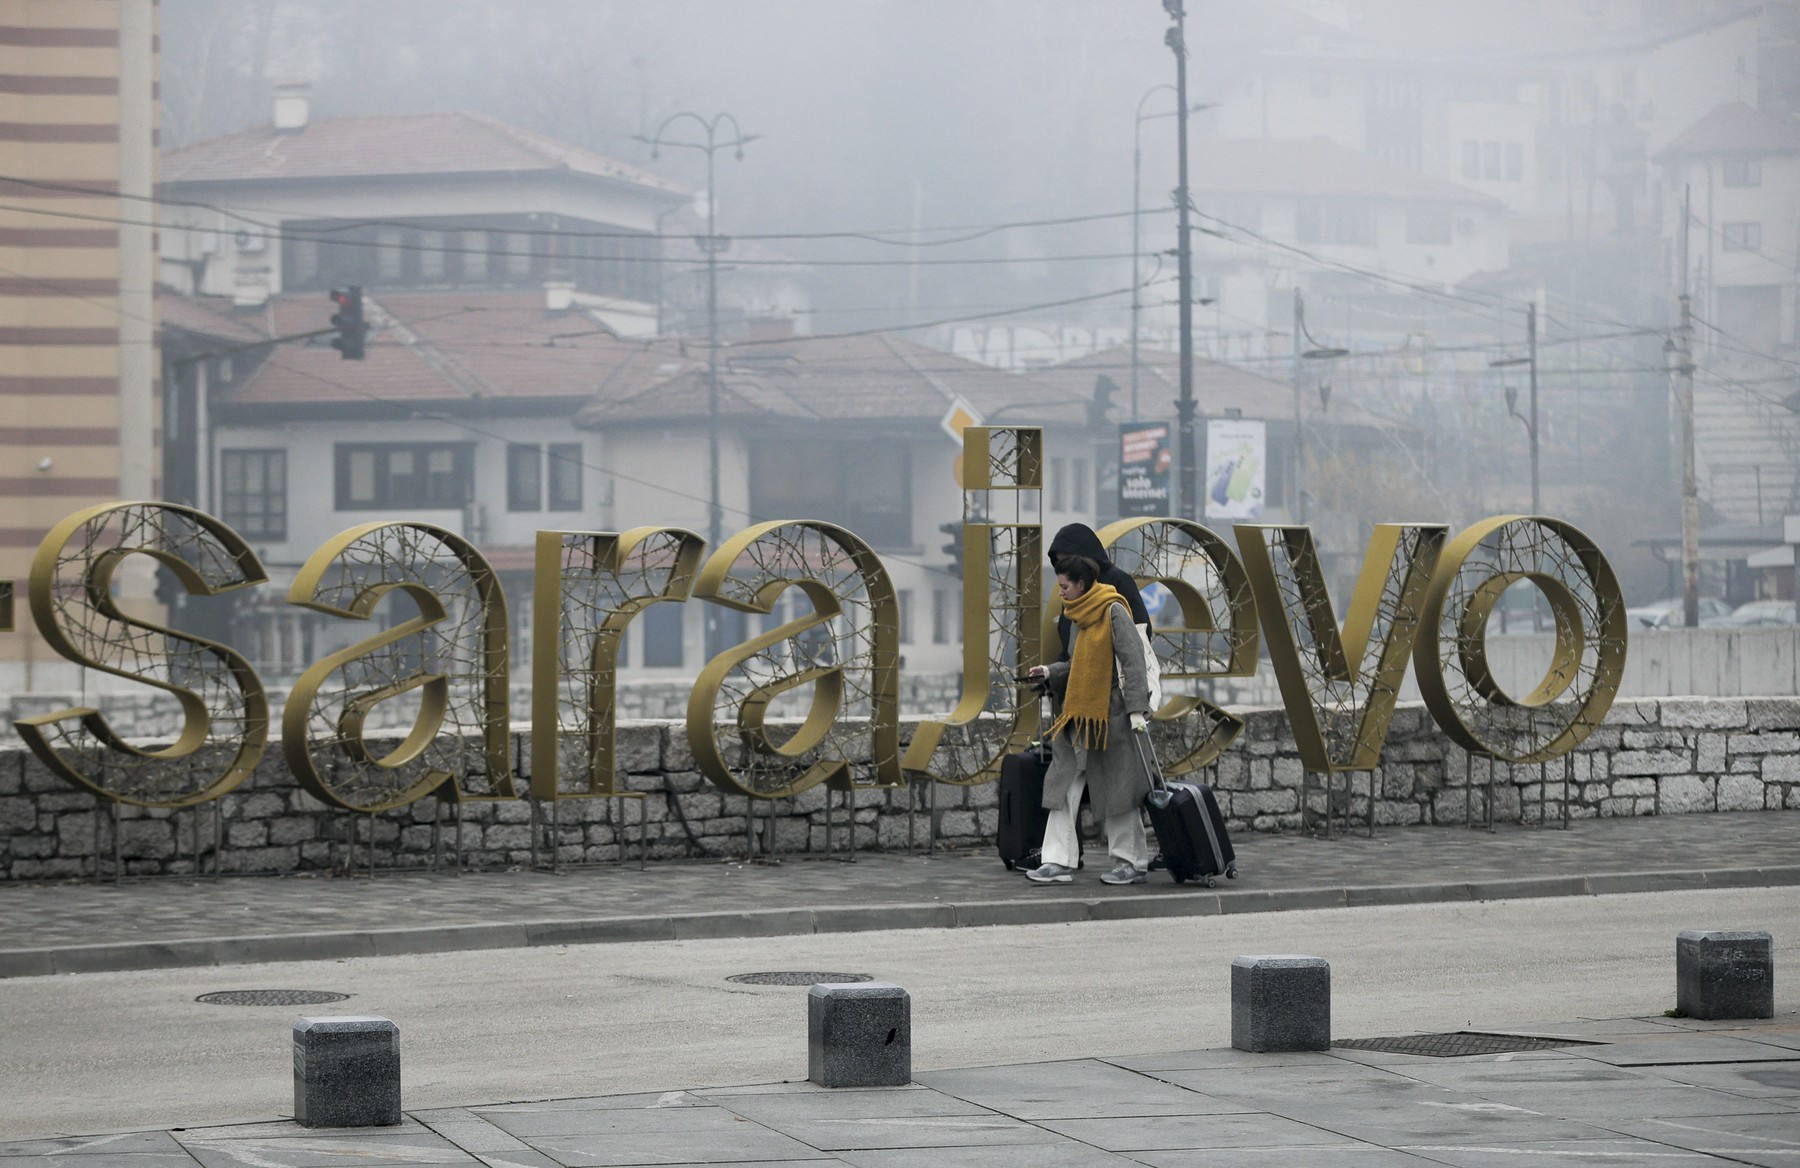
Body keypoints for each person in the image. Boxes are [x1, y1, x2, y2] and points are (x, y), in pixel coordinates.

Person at [1023, 553, 1153, 885]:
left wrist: (1137, 710)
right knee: (1063, 786)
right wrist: (1049, 672)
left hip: (1111, 718)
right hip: (1079, 717)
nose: (1061, 592)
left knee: (1119, 790)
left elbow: (1134, 663)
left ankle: (1131, 862)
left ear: (1082, 584)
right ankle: (1056, 861)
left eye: (1065, 586)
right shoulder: (1079, 616)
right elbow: (1078, 667)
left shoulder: (1114, 610)